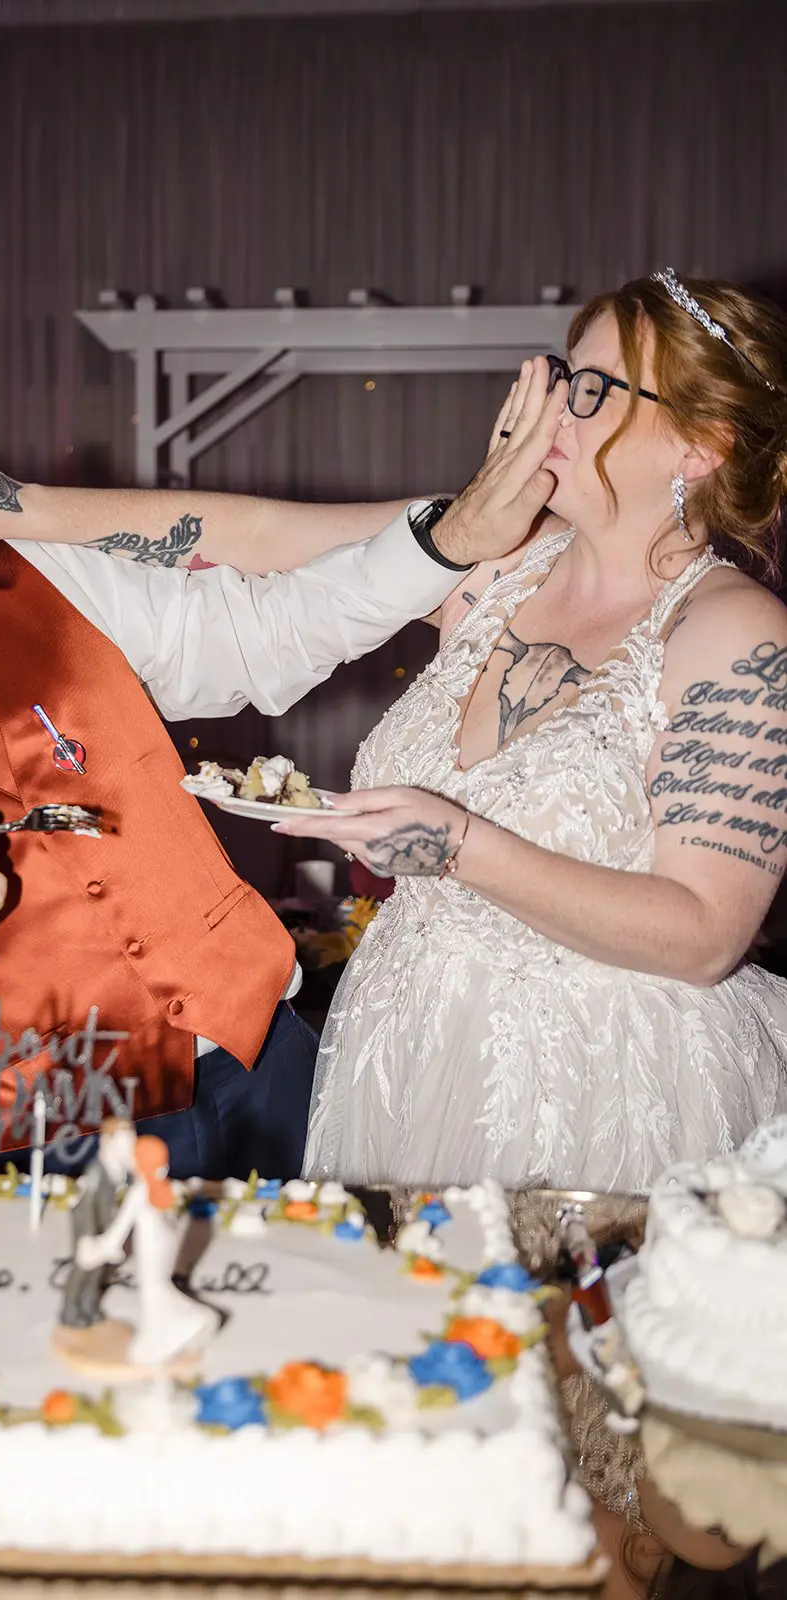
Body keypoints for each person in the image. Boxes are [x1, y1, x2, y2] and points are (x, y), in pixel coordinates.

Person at [0, 353, 556, 1181]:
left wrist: (445, 544)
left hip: (272, 1060)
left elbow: (264, 631)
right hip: (56, 1151)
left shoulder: (28, 563)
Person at [279, 271, 787, 1193]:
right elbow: (249, 540)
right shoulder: (493, 561)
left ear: (700, 443)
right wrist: (25, 510)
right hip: (402, 1044)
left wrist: (460, 845)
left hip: (600, 1078)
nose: (552, 406)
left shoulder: (734, 633)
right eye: (562, 375)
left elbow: (706, 934)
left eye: (590, 389)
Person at [75, 1133, 218, 1369]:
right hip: (166, 1243)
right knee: (160, 1285)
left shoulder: (140, 1191)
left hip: (151, 1245)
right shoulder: (165, 1186)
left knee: (153, 1290)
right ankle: (187, 1323)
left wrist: (102, 1246)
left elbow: (121, 1227)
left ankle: (167, 1336)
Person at [58, 1115, 134, 1330]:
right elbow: (87, 1203)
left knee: (99, 1267)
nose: (129, 1147)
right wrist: (88, 1236)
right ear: (108, 1141)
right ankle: (69, 1311)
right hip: (87, 1224)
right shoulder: (96, 1171)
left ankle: (89, 1304)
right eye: (124, 1142)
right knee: (83, 1267)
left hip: (104, 1223)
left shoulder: (118, 1168)